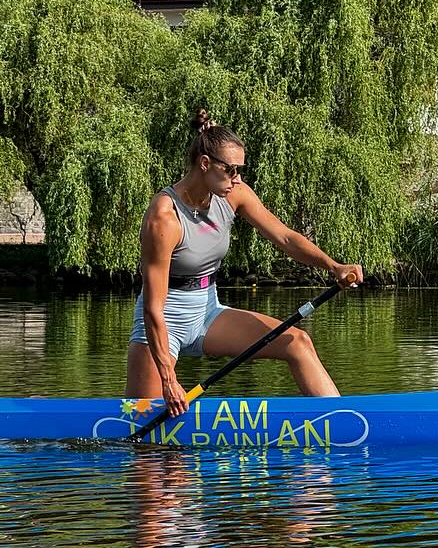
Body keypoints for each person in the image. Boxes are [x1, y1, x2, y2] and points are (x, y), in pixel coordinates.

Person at [127, 109, 362, 416]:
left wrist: (334, 267)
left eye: (240, 170)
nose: (238, 179)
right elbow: (152, 308)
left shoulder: (234, 194)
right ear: (205, 164)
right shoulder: (164, 217)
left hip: (207, 311)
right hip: (163, 320)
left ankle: (342, 419)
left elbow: (286, 238)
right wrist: (170, 380)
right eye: (232, 170)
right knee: (144, 426)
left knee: (298, 343)